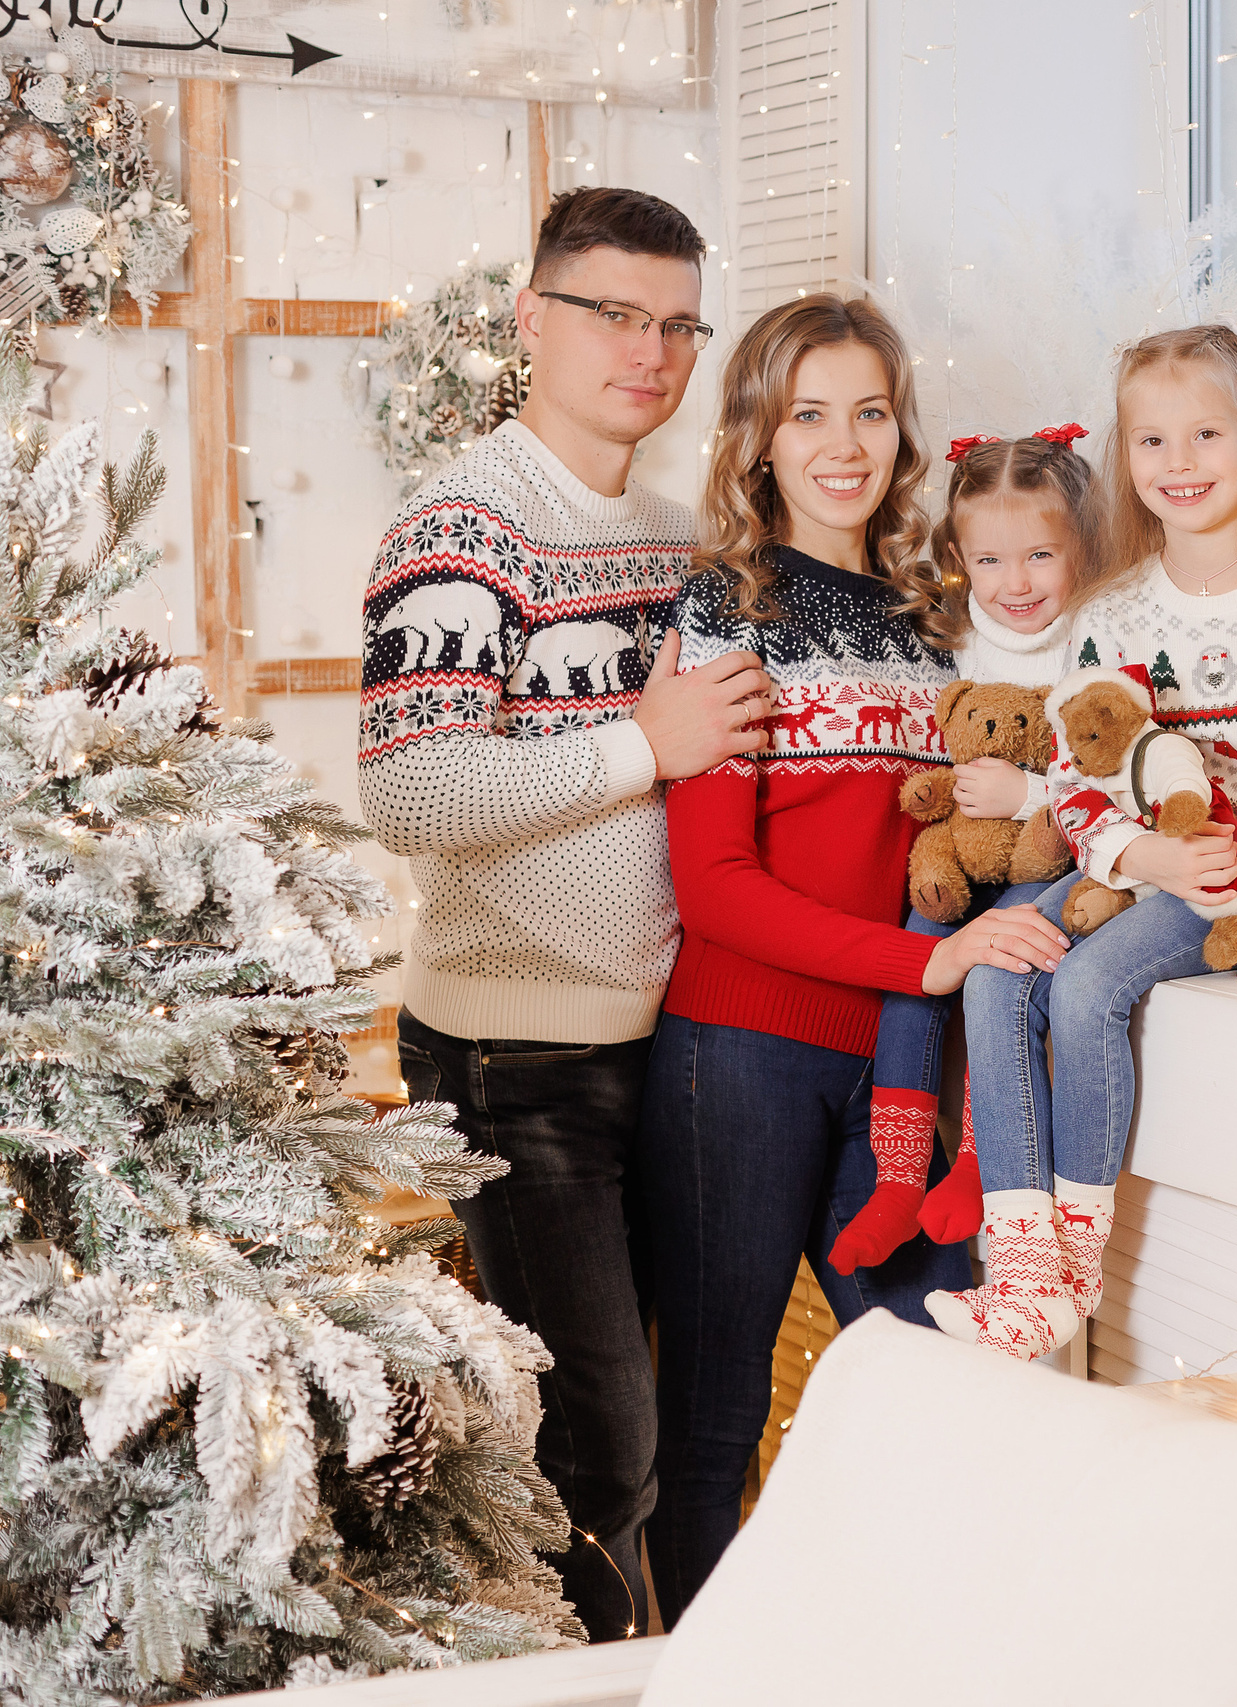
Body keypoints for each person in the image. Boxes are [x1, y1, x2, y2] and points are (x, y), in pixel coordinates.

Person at [358, 187, 771, 1642]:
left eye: (676, 323)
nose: (649, 350)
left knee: (659, 1420)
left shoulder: (672, 541)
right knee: (600, 1440)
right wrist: (642, 746)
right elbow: (412, 791)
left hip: (672, 1040)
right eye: (613, 313)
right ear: (534, 319)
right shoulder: (463, 526)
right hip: (512, 1054)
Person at [641, 294, 1072, 1621]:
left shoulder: (941, 616)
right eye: (809, 412)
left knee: (955, 1386)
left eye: (870, 412)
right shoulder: (727, 608)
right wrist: (922, 967)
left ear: (902, 429)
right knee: (711, 1434)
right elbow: (713, 890)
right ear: (758, 436)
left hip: (889, 1069)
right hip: (741, 1056)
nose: (845, 442)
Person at [925, 325, 1237, 1359]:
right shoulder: (1110, 614)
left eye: (1205, 435)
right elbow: (1077, 788)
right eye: (1151, 441)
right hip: (1128, 864)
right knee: (994, 968)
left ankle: (1074, 1262)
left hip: (1229, 879)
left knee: (1083, 992)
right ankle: (1024, 1268)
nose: (1178, 464)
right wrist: (1139, 856)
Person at [827, 424, 1102, 1272]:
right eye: (989, 562)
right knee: (918, 954)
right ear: (959, 557)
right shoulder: (952, 637)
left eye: (1040, 558)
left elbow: (1124, 767)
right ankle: (900, 1174)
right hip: (962, 852)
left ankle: (985, 1160)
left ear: (1080, 550)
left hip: (1048, 859)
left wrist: (1034, 795)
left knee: (1002, 964)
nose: (1014, 584)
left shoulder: (1094, 640)